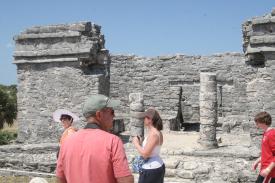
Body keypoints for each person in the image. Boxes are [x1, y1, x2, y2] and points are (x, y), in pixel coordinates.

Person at [56, 94, 134, 183]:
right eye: (111, 112)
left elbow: (60, 179)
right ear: (99, 114)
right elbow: (125, 180)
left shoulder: (67, 142)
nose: (114, 115)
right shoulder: (113, 141)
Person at [132, 108, 165, 183]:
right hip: (157, 165)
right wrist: (141, 144)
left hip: (151, 169)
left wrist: (136, 143)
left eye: (145, 118)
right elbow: (152, 150)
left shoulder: (153, 134)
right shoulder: (158, 132)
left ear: (150, 119)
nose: (143, 120)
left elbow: (145, 154)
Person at [252, 111, 275, 183]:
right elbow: (267, 152)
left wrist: (268, 169)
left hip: (270, 172)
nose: (256, 125)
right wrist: (258, 160)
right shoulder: (266, 133)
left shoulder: (271, 134)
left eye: (257, 122)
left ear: (264, 122)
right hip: (265, 168)